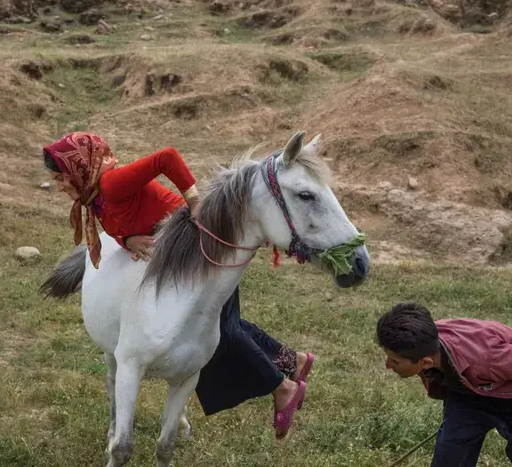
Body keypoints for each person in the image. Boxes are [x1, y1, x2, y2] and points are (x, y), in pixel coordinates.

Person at [43, 131, 315, 439]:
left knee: (221, 331)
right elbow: (117, 223)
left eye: (60, 177)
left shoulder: (110, 184)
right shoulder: (92, 193)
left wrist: (194, 201)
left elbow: (166, 157)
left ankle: (282, 386)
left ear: (79, 167)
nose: (59, 186)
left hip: (197, 247)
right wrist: (127, 239)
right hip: (178, 254)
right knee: (223, 324)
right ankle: (293, 361)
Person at [376, 302, 512, 466]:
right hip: (467, 395)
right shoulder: (420, 341)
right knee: (450, 453)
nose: (387, 365)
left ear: (426, 363)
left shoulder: (489, 358)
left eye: (394, 361)